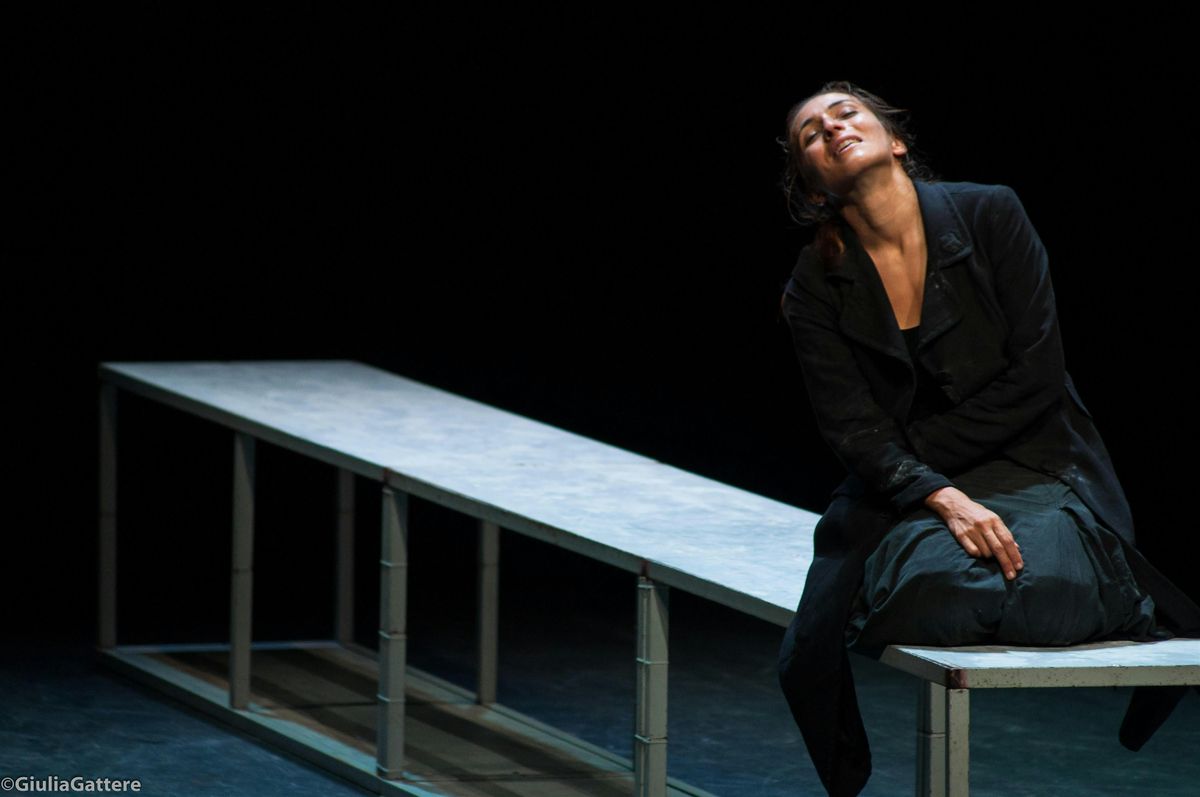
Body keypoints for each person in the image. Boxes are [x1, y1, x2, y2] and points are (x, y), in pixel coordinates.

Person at [774, 80, 1200, 797]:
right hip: (918, 484)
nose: (833, 127)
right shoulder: (815, 280)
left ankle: (1111, 590)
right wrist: (937, 493)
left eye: (846, 113)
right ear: (813, 185)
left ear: (896, 141)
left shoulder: (990, 213)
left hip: (1034, 457)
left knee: (1035, 581)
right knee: (930, 592)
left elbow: (1037, 375)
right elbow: (851, 426)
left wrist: (913, 456)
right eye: (811, 133)